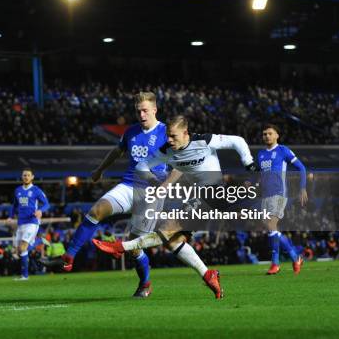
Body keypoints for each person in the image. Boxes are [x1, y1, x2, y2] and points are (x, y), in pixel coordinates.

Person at [93, 115, 259, 299]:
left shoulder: (204, 141)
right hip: (195, 197)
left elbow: (238, 141)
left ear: (185, 133)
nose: (169, 140)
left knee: (166, 230)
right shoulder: (167, 150)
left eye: (173, 136)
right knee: (173, 242)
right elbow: (141, 166)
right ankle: (208, 275)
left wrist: (249, 164)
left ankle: (121, 247)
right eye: (168, 136)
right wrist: (155, 182)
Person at [42, 91, 174, 298]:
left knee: (133, 246)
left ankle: (145, 283)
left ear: (155, 110)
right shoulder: (131, 132)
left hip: (151, 193)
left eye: (145, 110)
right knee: (96, 210)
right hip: (129, 184)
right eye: (138, 111)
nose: (141, 115)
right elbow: (117, 151)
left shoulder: (167, 132)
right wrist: (100, 169)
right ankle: (68, 258)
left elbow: (182, 160)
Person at [259, 124, 307, 275]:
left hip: (279, 194)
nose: (267, 136)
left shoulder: (283, 150)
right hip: (265, 195)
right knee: (270, 228)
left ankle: (275, 263)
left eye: (270, 133)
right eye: (264, 134)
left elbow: (302, 168)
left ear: (277, 135)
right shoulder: (260, 154)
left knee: (272, 224)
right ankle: (294, 256)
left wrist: (303, 187)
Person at [7, 168, 49, 281]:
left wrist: (40, 211)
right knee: (20, 250)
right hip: (21, 223)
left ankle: (39, 241)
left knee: (22, 247)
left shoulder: (36, 190)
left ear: (32, 177)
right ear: (22, 177)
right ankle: (24, 276)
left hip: (32, 222)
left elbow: (46, 204)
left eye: (28, 175)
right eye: (24, 175)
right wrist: (10, 216)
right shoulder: (18, 190)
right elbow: (14, 206)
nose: (26, 177)